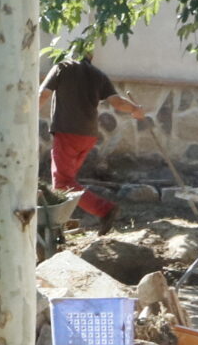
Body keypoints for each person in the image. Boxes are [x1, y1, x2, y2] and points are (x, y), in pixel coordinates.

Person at [39, 48, 148, 224]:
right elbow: (118, 102)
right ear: (91, 56)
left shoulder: (62, 67)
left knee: (62, 183)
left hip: (68, 133)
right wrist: (136, 109)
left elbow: (42, 95)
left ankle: (105, 210)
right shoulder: (99, 75)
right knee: (68, 182)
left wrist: (23, 115)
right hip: (88, 136)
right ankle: (63, 220)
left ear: (72, 52)